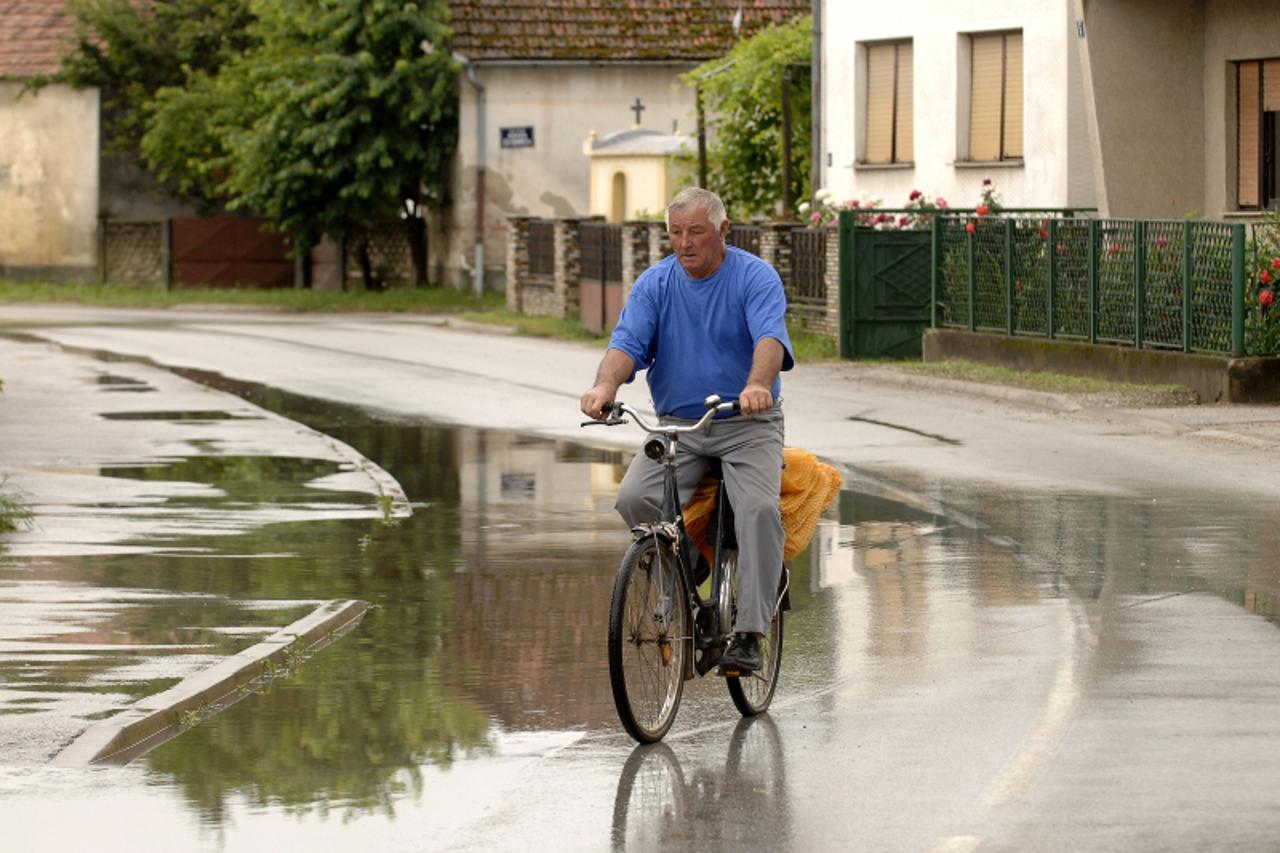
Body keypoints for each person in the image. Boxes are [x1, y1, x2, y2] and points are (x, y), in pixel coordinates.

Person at [580, 186, 794, 673]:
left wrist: (759, 384)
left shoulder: (754, 277)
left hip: (747, 422)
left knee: (758, 509)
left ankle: (750, 632)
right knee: (635, 498)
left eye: (695, 232)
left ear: (723, 231)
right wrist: (604, 385)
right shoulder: (656, 284)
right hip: (679, 426)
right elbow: (626, 342)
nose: (684, 243)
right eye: (675, 233)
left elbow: (770, 338)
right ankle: (684, 569)